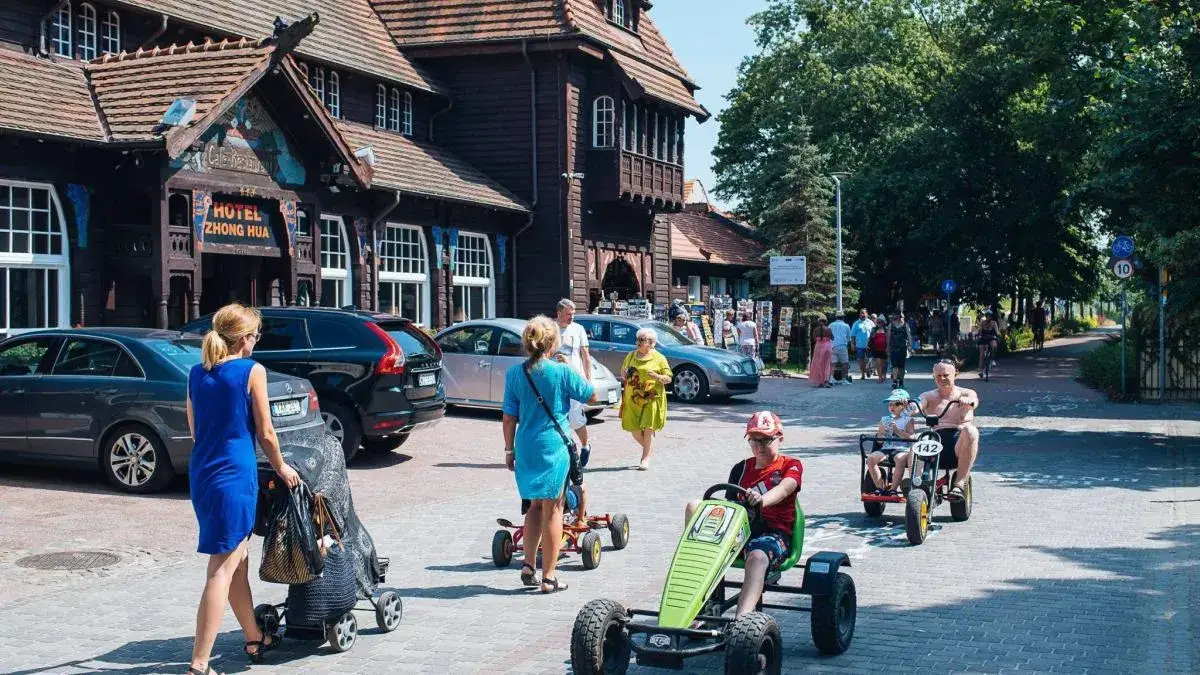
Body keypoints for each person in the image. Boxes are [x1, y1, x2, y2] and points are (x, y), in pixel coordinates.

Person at [186, 303, 300, 675]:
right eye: (255, 335)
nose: (257, 341)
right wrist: (282, 466)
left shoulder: (195, 374)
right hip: (234, 476)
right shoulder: (252, 371)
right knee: (221, 567)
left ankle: (255, 637)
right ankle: (199, 665)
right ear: (244, 339)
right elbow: (266, 431)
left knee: (237, 562)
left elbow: (195, 430)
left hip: (203, 475)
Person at [502, 315, 597, 593]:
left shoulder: (514, 374)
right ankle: (549, 577)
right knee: (553, 509)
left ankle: (528, 565)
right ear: (553, 343)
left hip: (526, 446)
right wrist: (569, 370)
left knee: (533, 505)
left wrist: (509, 450)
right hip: (554, 446)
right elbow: (590, 395)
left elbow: (509, 418)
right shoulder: (561, 372)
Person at [683, 411, 801, 617]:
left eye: (766, 440)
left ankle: (741, 621)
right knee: (694, 506)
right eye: (754, 440)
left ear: (780, 438)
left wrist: (762, 500)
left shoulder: (790, 465)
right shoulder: (741, 468)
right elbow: (730, 504)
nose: (759, 446)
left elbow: (785, 488)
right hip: (738, 533)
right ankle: (693, 602)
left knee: (756, 557)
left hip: (772, 535)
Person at [918, 360, 980, 501]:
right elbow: (920, 403)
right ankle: (917, 483)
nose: (942, 379)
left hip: (959, 444)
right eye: (938, 376)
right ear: (933, 377)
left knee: (971, 431)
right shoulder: (928, 395)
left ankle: (959, 484)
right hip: (936, 441)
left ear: (955, 375)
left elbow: (973, 402)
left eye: (946, 375)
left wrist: (967, 402)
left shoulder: (966, 393)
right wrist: (912, 408)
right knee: (917, 440)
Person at [619, 327, 672, 470]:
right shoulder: (630, 356)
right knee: (634, 429)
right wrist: (624, 373)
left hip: (652, 397)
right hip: (633, 397)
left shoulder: (659, 358)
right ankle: (649, 448)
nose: (638, 342)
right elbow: (623, 374)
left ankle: (645, 458)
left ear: (652, 343)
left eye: (642, 340)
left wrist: (658, 377)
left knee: (649, 427)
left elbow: (668, 378)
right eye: (638, 339)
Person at [554, 299, 594, 467]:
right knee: (556, 417)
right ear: (559, 313)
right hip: (555, 380)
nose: (572, 317)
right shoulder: (551, 329)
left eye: (573, 313)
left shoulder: (578, 329)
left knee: (575, 418)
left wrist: (587, 379)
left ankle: (585, 445)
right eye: (568, 314)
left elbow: (585, 355)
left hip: (574, 379)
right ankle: (564, 452)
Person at [866, 389, 916, 494]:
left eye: (896, 404)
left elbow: (912, 437)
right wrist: (881, 433)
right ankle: (880, 487)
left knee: (899, 458)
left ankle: (893, 489)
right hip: (887, 448)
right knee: (871, 459)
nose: (892, 407)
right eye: (890, 404)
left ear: (904, 405)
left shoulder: (908, 420)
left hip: (902, 449)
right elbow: (879, 442)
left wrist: (898, 431)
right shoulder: (884, 420)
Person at [886, 313, 912, 389]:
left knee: (901, 366)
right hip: (893, 347)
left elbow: (909, 336)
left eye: (902, 317)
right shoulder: (891, 325)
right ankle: (894, 381)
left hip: (902, 348)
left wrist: (910, 346)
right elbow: (888, 336)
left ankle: (901, 381)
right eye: (899, 316)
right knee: (894, 365)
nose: (900, 318)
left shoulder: (905, 325)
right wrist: (887, 347)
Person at [850, 309, 875, 378]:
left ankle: (868, 369)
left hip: (869, 345)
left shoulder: (871, 323)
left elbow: (874, 333)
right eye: (861, 313)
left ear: (867, 314)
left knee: (869, 359)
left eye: (863, 313)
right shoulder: (856, 323)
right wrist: (852, 344)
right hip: (859, 345)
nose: (862, 314)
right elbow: (852, 335)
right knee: (860, 359)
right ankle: (863, 374)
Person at [828, 313, 852, 384]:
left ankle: (831, 378)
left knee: (833, 363)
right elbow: (848, 337)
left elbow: (828, 334)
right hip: (842, 345)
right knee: (845, 363)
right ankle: (845, 379)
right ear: (843, 317)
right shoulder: (846, 325)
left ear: (836, 317)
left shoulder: (831, 325)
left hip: (833, 345)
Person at [977, 311, 999, 376]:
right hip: (983, 338)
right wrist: (979, 332)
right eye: (987, 315)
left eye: (989, 315)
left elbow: (997, 331)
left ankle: (992, 359)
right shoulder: (982, 322)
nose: (988, 317)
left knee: (994, 346)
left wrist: (998, 335)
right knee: (981, 355)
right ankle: (981, 371)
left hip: (991, 338)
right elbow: (979, 329)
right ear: (986, 316)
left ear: (991, 316)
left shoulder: (994, 323)